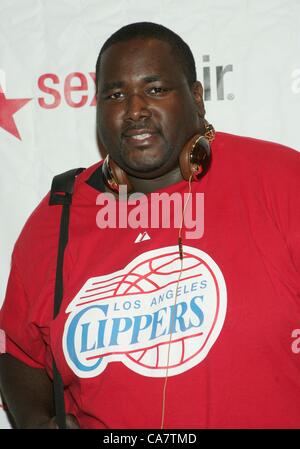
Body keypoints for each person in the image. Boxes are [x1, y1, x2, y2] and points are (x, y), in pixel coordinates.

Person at [0, 21, 300, 430]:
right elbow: (18, 353)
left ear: (196, 98)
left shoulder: (282, 181)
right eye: (116, 94)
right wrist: (37, 420)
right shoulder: (57, 217)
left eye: (155, 89)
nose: (135, 109)